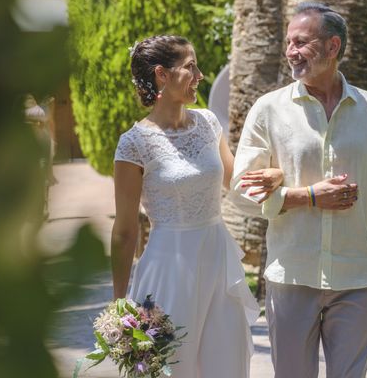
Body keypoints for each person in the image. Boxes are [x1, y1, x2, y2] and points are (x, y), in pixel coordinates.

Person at [232, 2, 367, 378]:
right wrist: (309, 196)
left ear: (333, 46)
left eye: (301, 42)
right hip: (291, 278)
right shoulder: (268, 110)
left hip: (355, 279)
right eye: (289, 42)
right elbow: (241, 193)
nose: (291, 51)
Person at [112, 35, 283, 377]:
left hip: (217, 259)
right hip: (168, 266)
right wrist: (119, 306)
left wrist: (277, 174)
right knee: (170, 365)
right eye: (191, 67)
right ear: (162, 74)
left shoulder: (208, 123)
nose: (200, 75)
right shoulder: (133, 145)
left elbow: (237, 182)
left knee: (226, 361)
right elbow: (125, 230)